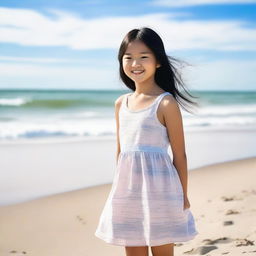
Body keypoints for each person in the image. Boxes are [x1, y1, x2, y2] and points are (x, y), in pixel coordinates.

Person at [95, 27, 199, 256]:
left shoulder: (165, 103)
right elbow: (121, 152)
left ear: (158, 62)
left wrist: (183, 195)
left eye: (144, 57)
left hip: (161, 193)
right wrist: (118, 190)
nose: (135, 63)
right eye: (128, 57)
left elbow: (179, 155)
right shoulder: (121, 103)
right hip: (128, 192)